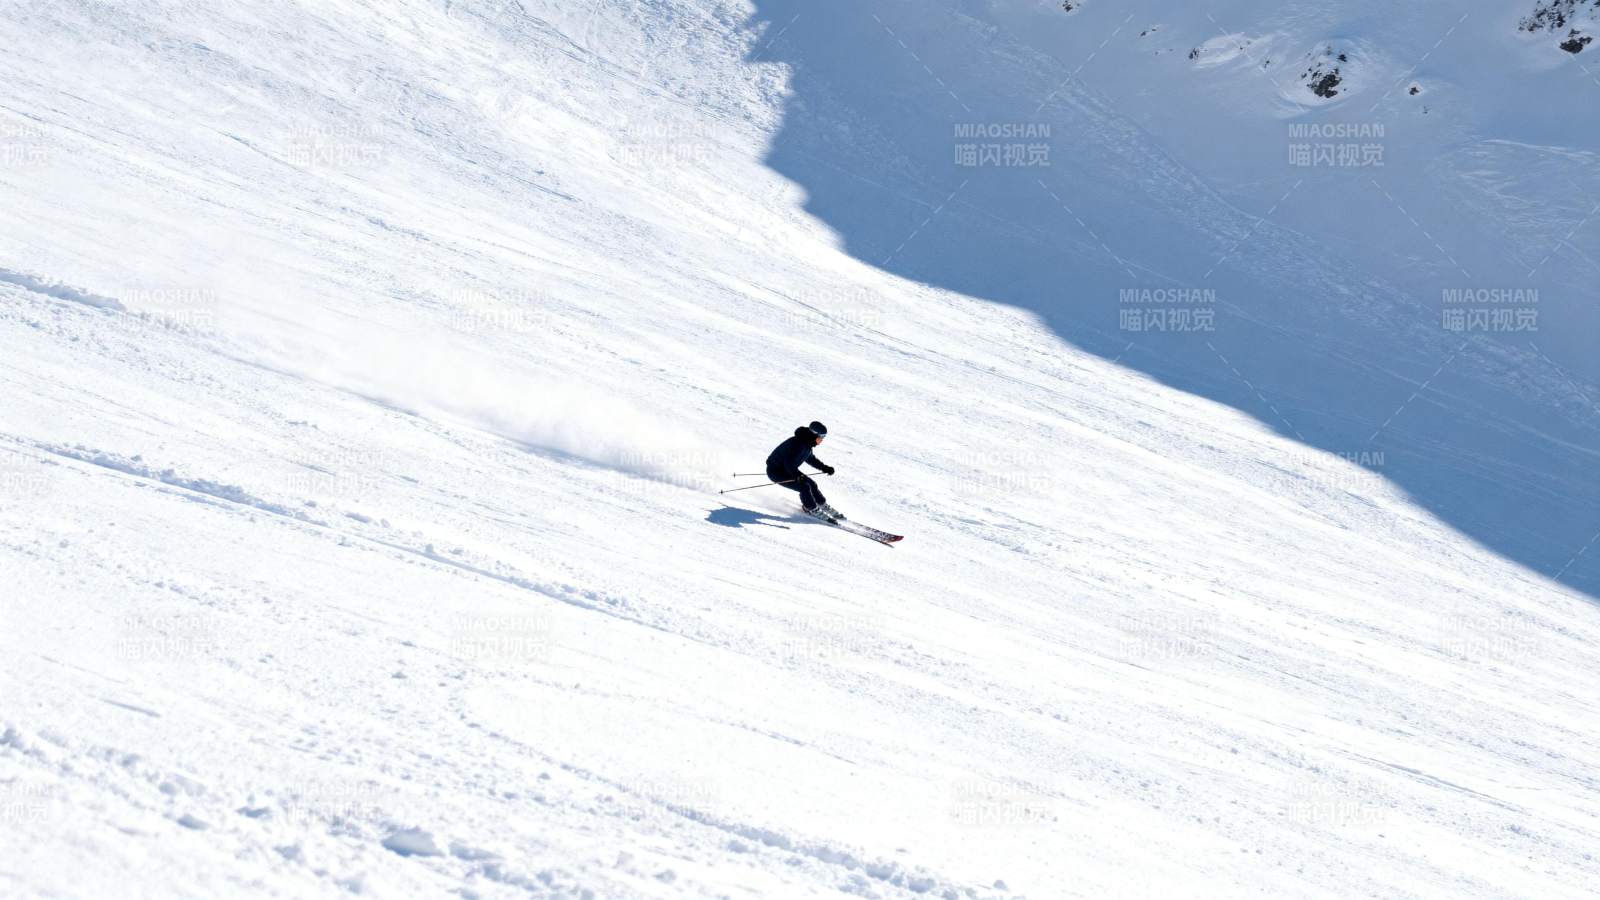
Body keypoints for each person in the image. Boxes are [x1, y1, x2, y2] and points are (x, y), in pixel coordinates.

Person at [765, 421, 836, 515]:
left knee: (812, 484)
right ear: (814, 435)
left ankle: (821, 504)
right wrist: (798, 476)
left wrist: (825, 468)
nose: (822, 440)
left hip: (787, 470)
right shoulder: (798, 444)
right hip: (776, 472)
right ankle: (811, 508)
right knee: (804, 486)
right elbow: (788, 464)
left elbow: (810, 459)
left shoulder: (806, 444)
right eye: (821, 437)